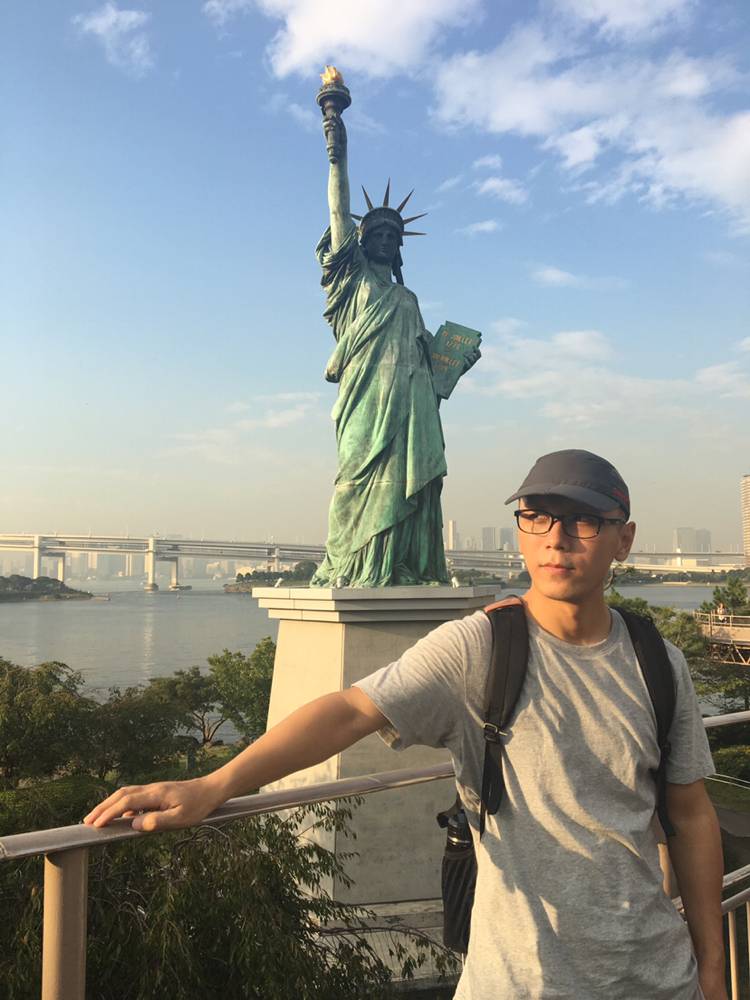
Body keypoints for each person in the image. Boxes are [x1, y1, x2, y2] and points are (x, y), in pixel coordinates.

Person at [85, 449, 724, 999]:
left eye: (584, 520)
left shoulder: (657, 661)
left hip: (657, 977)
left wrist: (714, 971)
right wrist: (214, 785)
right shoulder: (481, 648)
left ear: (623, 540)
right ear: (522, 532)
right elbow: (349, 710)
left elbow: (691, 815)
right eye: (537, 517)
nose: (556, 538)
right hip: (521, 982)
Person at [309, 95, 479, 587]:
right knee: (355, 480)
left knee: (409, 483)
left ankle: (400, 564)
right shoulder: (351, 282)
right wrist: (337, 152)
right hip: (364, 399)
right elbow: (338, 211)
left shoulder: (408, 298)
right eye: (377, 233)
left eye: (393, 235)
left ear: (399, 246)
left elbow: (429, 362)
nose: (385, 239)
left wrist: (456, 361)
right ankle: (352, 565)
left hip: (410, 405)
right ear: (361, 242)